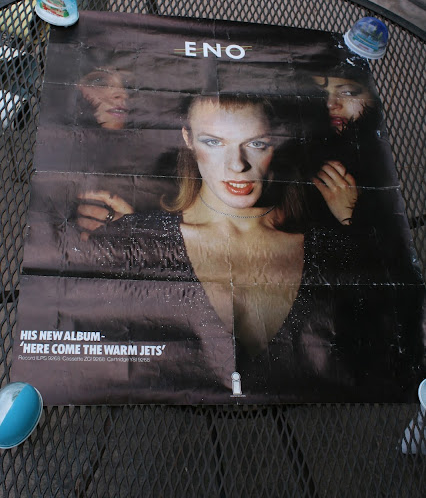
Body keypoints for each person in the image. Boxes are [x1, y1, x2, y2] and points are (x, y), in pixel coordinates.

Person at [64, 92, 419, 402]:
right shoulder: (135, 240)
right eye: (213, 142)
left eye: (256, 144)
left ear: (275, 143)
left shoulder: (330, 248)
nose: (237, 165)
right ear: (188, 138)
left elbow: (397, 330)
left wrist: (351, 225)